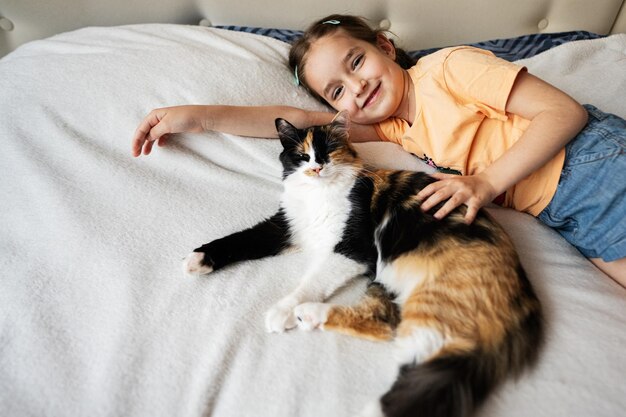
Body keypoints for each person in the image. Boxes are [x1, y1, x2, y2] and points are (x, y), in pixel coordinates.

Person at [131, 14, 626, 287]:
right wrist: (196, 117)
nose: (357, 87)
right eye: (337, 92)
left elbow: (565, 113)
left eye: (356, 61)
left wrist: (487, 182)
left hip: (590, 162)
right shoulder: (391, 129)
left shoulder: (449, 70)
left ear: (386, 48)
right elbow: (296, 121)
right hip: (562, 210)